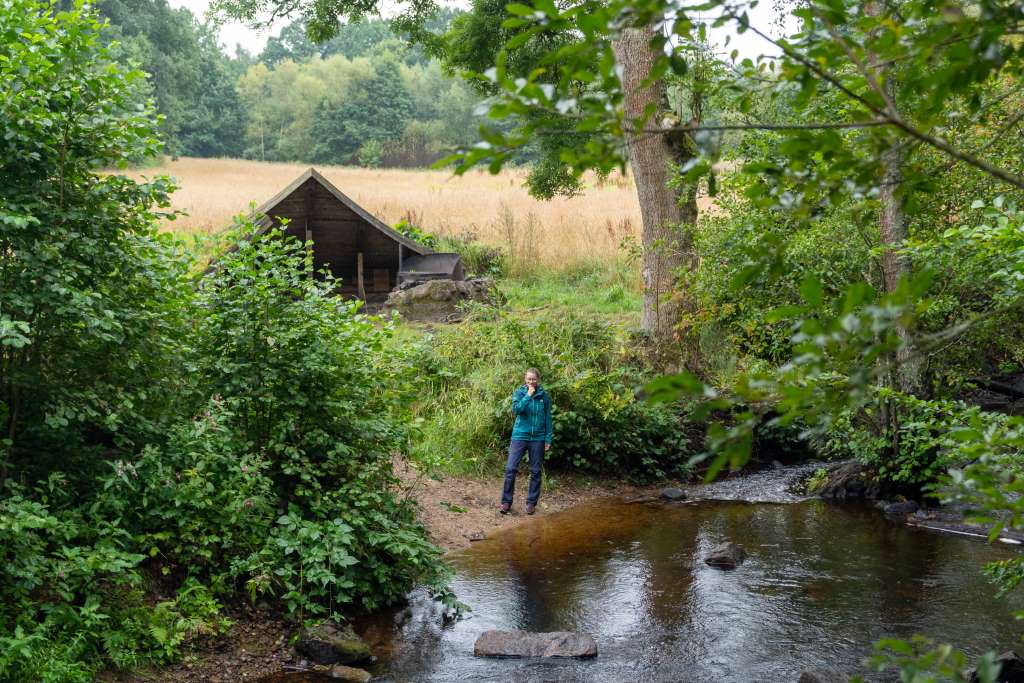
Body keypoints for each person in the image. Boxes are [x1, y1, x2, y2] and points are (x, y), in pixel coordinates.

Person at [499, 367, 552, 515]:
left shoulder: (544, 397)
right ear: (525, 379)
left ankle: (531, 503)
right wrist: (528, 396)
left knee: (535, 471)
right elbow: (517, 410)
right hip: (520, 436)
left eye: (534, 379)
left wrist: (548, 438)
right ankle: (506, 502)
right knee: (510, 469)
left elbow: (548, 418)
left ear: (538, 380)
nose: (531, 382)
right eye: (529, 379)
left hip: (538, 438)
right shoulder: (520, 393)